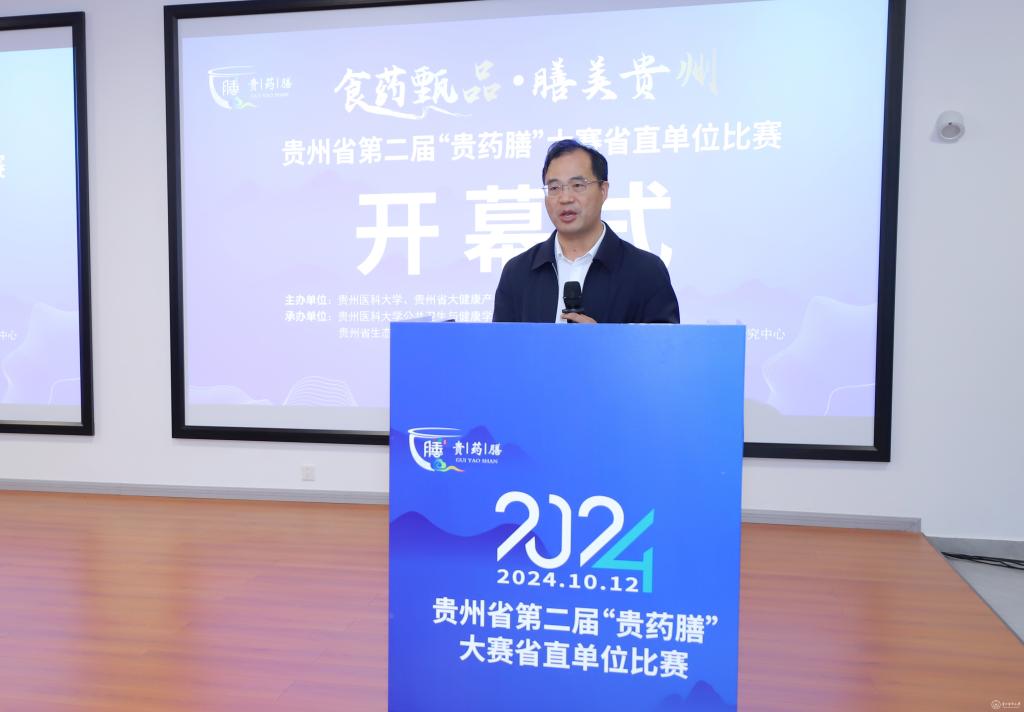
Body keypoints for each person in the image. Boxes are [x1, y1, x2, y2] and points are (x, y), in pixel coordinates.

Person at [492, 139, 679, 324]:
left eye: (578, 185)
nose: (565, 198)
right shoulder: (518, 272)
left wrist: (602, 339)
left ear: (603, 190)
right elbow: (499, 342)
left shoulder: (646, 271)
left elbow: (664, 343)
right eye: (554, 188)